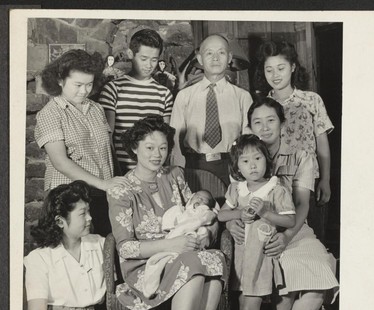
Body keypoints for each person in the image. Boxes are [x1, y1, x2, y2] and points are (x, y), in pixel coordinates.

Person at [227, 97, 339, 310]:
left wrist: (286, 236)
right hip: (255, 236)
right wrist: (231, 224)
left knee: (319, 271)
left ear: (282, 123)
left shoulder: (301, 156)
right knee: (266, 292)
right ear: (250, 127)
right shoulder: (242, 158)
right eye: (257, 122)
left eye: (271, 120)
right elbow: (236, 203)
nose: (264, 127)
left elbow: (302, 205)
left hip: (294, 230)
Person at [106, 115, 227, 310]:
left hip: (185, 254)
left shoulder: (175, 175)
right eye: (150, 148)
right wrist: (172, 245)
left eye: (163, 148)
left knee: (215, 261)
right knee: (193, 265)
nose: (157, 155)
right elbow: (125, 249)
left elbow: (197, 213)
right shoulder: (121, 190)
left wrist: (207, 235)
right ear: (134, 148)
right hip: (146, 267)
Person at [34, 49, 130, 236]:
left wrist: (113, 184)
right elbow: (60, 162)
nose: (84, 90)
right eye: (78, 85)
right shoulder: (50, 114)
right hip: (69, 198)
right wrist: (103, 184)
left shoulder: (97, 109)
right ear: (60, 80)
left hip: (101, 195)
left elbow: (107, 151)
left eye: (89, 84)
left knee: (104, 250)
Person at [254, 41, 334, 242]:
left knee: (313, 239)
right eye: (269, 70)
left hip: (309, 181)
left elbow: (322, 143)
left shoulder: (311, 100)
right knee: (276, 241)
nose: (275, 75)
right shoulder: (262, 105)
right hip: (273, 182)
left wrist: (325, 179)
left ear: (293, 67)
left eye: (280, 68)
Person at [218, 134, 295, 310]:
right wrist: (238, 213)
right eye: (245, 161)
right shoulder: (237, 189)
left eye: (257, 159)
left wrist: (265, 212)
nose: (252, 166)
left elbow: (290, 220)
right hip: (242, 261)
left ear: (266, 160)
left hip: (261, 260)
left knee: (250, 309)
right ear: (237, 167)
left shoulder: (276, 189)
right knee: (244, 307)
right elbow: (221, 215)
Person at [169, 34, 253, 185]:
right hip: (194, 166)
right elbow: (175, 140)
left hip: (231, 166)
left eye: (221, 52)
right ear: (200, 59)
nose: (215, 58)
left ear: (229, 58)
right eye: (209, 53)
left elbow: (248, 141)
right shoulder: (184, 96)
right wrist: (179, 175)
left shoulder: (243, 97)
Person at [24, 181, 105, 310]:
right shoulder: (39, 259)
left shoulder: (100, 245)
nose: (90, 217)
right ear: (60, 222)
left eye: (89, 211)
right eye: (82, 214)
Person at [99, 29, 174, 174]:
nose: (149, 65)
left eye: (154, 60)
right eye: (144, 59)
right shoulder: (113, 89)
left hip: (152, 171)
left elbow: (166, 138)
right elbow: (106, 138)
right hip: (121, 170)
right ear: (130, 54)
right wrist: (116, 172)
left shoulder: (164, 94)